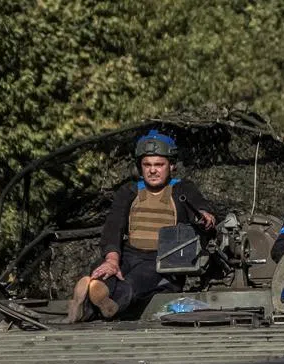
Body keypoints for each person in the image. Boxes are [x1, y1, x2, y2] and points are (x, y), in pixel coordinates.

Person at [65, 129, 217, 322]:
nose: (152, 170)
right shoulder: (129, 192)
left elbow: (202, 209)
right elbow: (113, 227)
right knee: (105, 271)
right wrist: (111, 261)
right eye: (147, 165)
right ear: (140, 167)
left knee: (136, 282)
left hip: (163, 262)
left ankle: (101, 302)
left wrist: (205, 216)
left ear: (171, 166)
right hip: (130, 253)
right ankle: (90, 301)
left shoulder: (182, 190)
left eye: (159, 165)